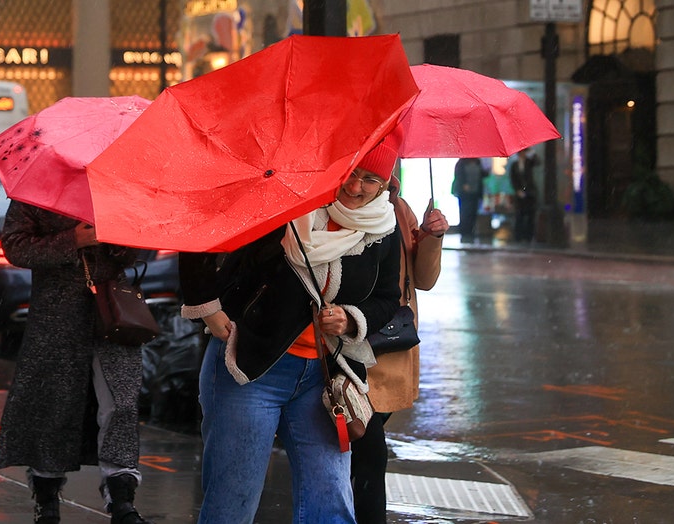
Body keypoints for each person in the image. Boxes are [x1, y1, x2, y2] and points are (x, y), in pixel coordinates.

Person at [178, 135, 404, 523]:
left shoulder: (383, 226)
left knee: (330, 501)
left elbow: (386, 298)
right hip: (249, 365)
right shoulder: (288, 199)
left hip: (325, 377)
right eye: (351, 173)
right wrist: (207, 307)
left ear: (386, 184)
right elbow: (202, 228)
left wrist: (350, 319)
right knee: (233, 499)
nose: (355, 187)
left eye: (370, 180)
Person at [0, 200, 152, 524]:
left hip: (113, 313)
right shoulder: (39, 193)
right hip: (56, 317)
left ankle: (121, 498)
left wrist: (111, 236)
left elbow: (138, 247)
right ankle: (47, 500)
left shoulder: (114, 187)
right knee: (54, 405)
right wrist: (73, 241)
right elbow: (15, 247)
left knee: (120, 404)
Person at [350, 172, 449, 524]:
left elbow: (422, 279)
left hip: (391, 344)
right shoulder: (343, 205)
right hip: (348, 343)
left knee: (362, 449)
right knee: (369, 450)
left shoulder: (398, 208)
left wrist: (431, 236)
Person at [451, 157, 488, 242]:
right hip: (464, 194)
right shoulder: (461, 163)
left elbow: (481, 174)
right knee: (464, 212)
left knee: (473, 213)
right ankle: (464, 232)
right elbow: (458, 175)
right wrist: (464, 184)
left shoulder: (477, 162)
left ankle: (471, 231)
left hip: (475, 192)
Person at [509, 147, 539, 243]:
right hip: (519, 193)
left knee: (530, 215)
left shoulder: (529, 162)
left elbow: (538, 162)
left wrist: (532, 152)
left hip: (530, 192)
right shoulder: (514, 165)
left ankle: (528, 236)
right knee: (519, 215)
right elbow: (513, 179)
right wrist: (517, 190)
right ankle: (519, 236)